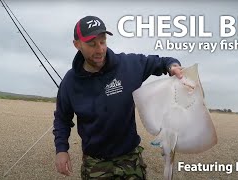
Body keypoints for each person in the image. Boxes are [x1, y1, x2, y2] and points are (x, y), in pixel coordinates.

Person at [53, 15, 183, 179]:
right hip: (95, 163)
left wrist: (173, 66)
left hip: (130, 160)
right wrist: (61, 149)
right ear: (77, 44)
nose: (100, 49)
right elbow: (62, 119)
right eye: (92, 44)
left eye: (103, 41)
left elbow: (163, 62)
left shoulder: (128, 65)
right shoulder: (70, 82)